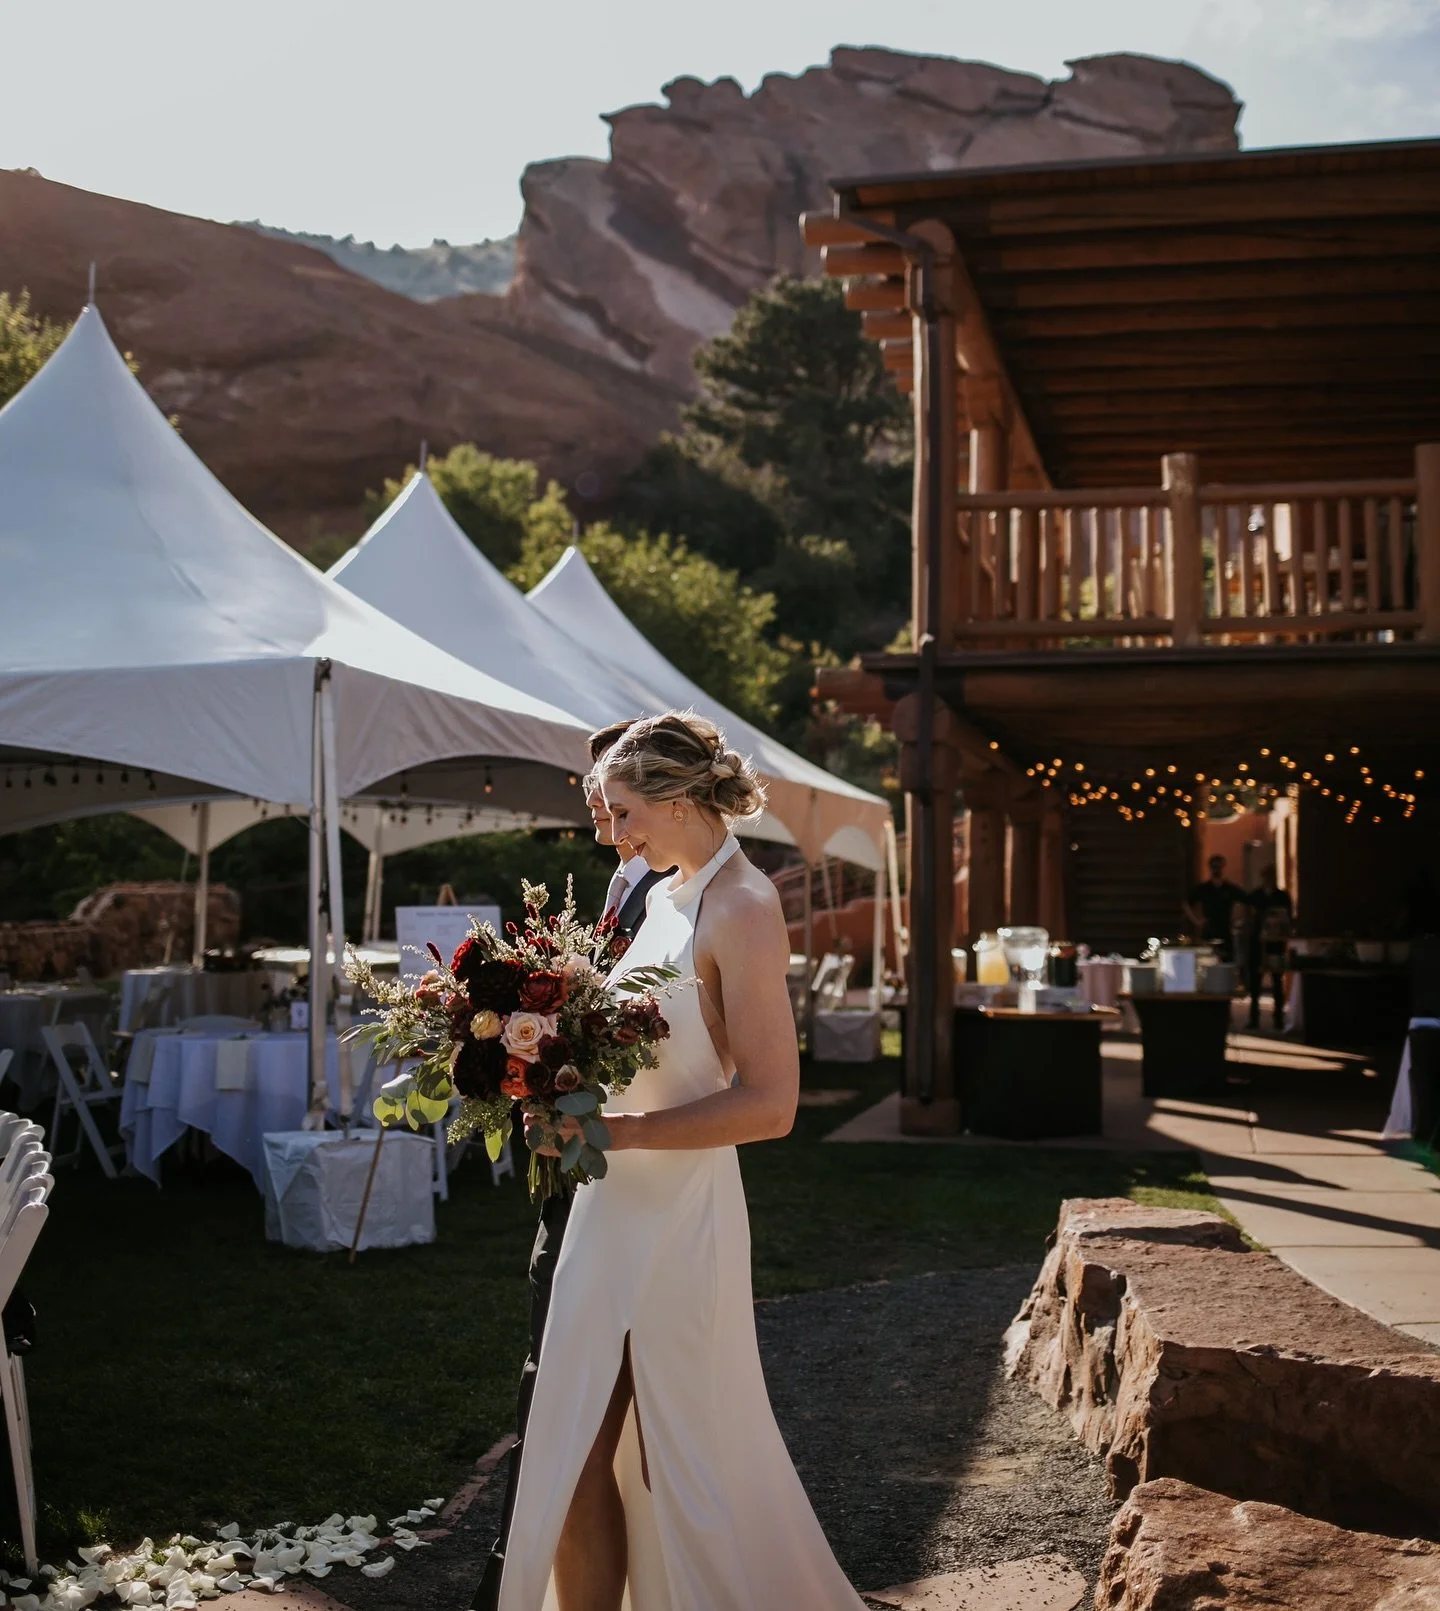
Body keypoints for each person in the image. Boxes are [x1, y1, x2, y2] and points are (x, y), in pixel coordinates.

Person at [496, 711, 867, 1611]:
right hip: (609, 1207)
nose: (612, 836)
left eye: (623, 813)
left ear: (676, 798)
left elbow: (772, 1104)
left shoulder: (742, 906)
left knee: (669, 1452)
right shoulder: (667, 896)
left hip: (676, 1214)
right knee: (578, 1440)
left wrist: (613, 1131)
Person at [473, 717, 669, 1611]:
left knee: (579, 1404)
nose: (598, 813)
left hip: (637, 1176)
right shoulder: (629, 878)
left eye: (610, 795)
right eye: (595, 795)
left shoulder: (672, 881)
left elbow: (657, 1035)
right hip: (589, 1163)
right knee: (553, 1389)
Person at [1245, 864, 1293, 1031]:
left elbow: (1288, 919)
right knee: (1255, 983)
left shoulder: (1282, 897)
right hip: (1257, 944)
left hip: (1275, 944)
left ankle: (1278, 1018)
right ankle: (1254, 1018)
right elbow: (1247, 918)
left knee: (1277, 981)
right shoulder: (1255, 896)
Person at [1185, 854, 1246, 961]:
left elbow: (1246, 901)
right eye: (1214, 867)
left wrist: (1239, 921)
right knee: (1207, 960)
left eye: (1219, 867)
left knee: (1226, 960)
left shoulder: (1230, 889)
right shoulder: (1203, 889)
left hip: (1225, 930)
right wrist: (1197, 921)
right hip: (1209, 929)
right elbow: (1187, 902)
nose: (1216, 870)